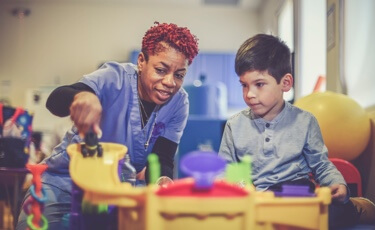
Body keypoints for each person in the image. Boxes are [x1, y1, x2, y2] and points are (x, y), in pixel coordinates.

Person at [16, 22, 199, 229]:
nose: (169, 82)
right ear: (141, 61)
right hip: (66, 183)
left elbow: (163, 158)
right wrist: (83, 96)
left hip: (119, 191)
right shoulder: (114, 77)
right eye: (160, 70)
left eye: (179, 75)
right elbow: (55, 101)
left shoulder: (179, 103)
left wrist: (162, 181)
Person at [218, 34, 375, 228]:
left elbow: (320, 164)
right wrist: (243, 187)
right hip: (254, 198)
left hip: (296, 194)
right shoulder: (234, 125)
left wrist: (337, 183)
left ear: (285, 83)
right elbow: (227, 169)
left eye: (259, 84)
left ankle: (357, 209)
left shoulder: (305, 121)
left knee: (330, 214)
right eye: (244, 85)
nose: (249, 94)